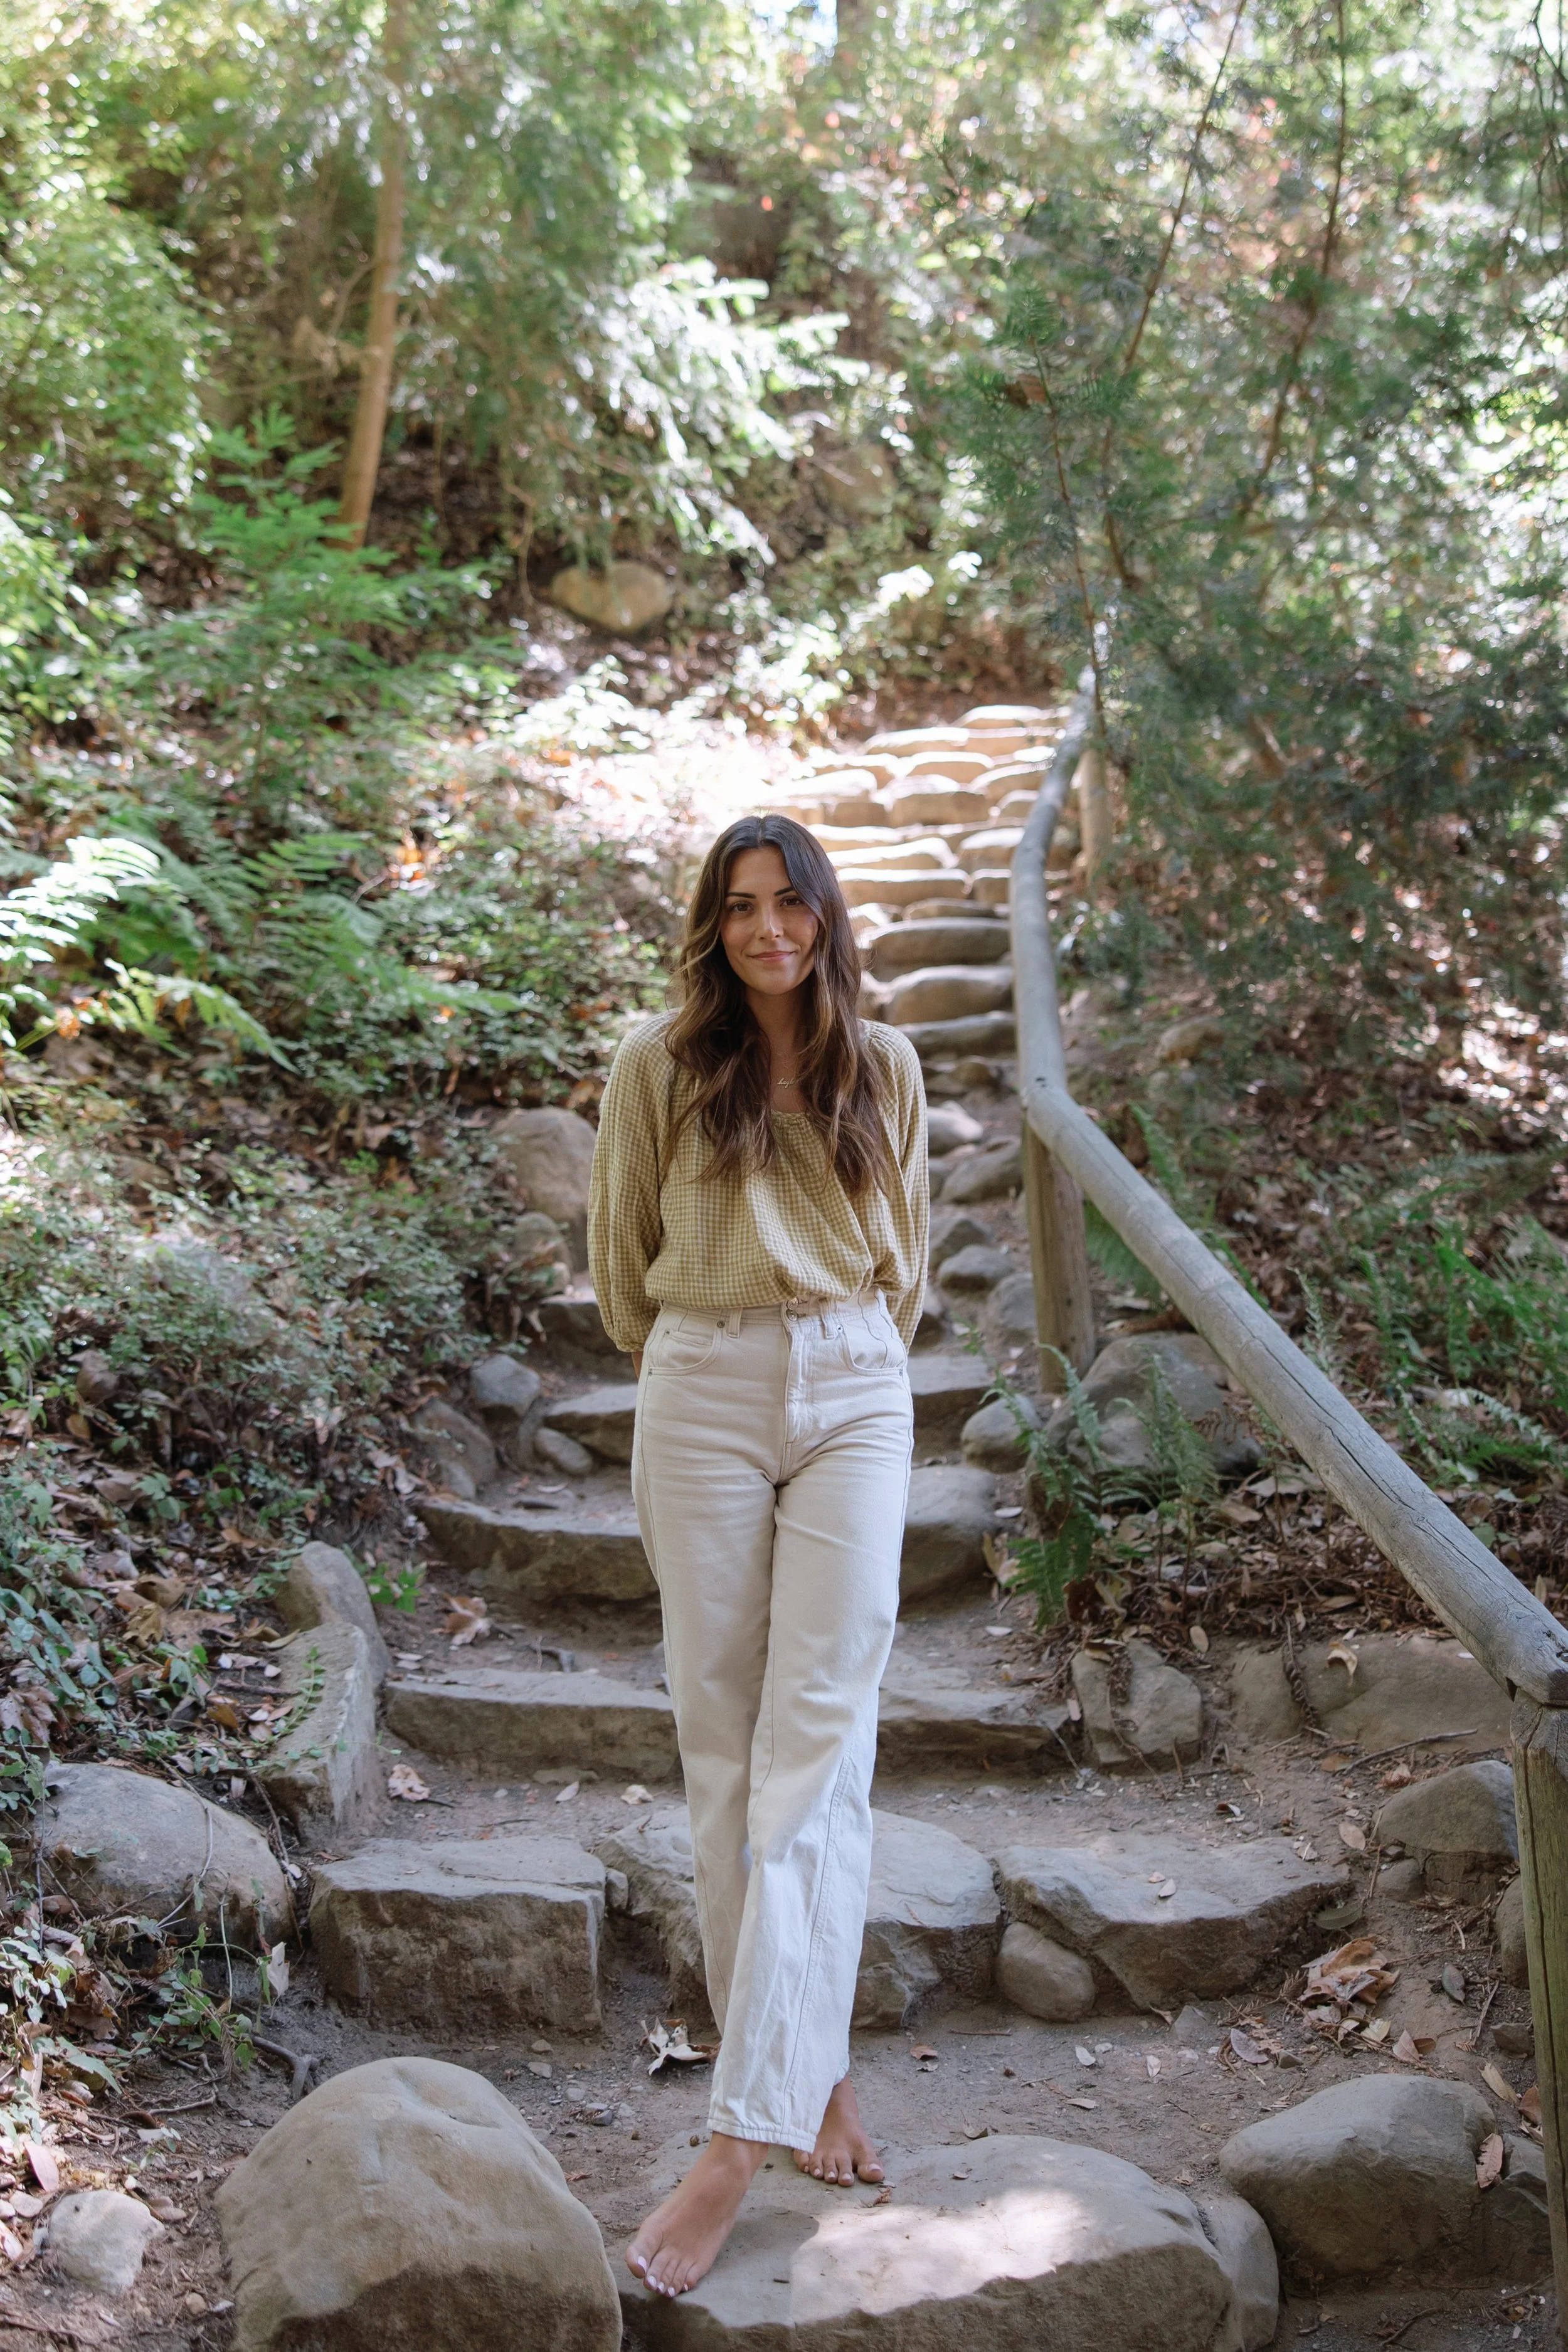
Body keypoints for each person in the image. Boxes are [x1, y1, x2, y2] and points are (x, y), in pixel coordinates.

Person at [586, 812, 928, 2299]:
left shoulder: (885, 1065)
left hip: (853, 1387)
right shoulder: (657, 1067)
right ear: (711, 927)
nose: (768, 929)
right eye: (739, 908)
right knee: (725, 1765)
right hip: (702, 1388)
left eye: (790, 903)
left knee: (818, 1753)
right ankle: (813, 2080)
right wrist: (713, 1357)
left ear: (825, 913)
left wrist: (832, 1352)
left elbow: (900, 1258)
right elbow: (617, 1276)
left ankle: (736, 2138)